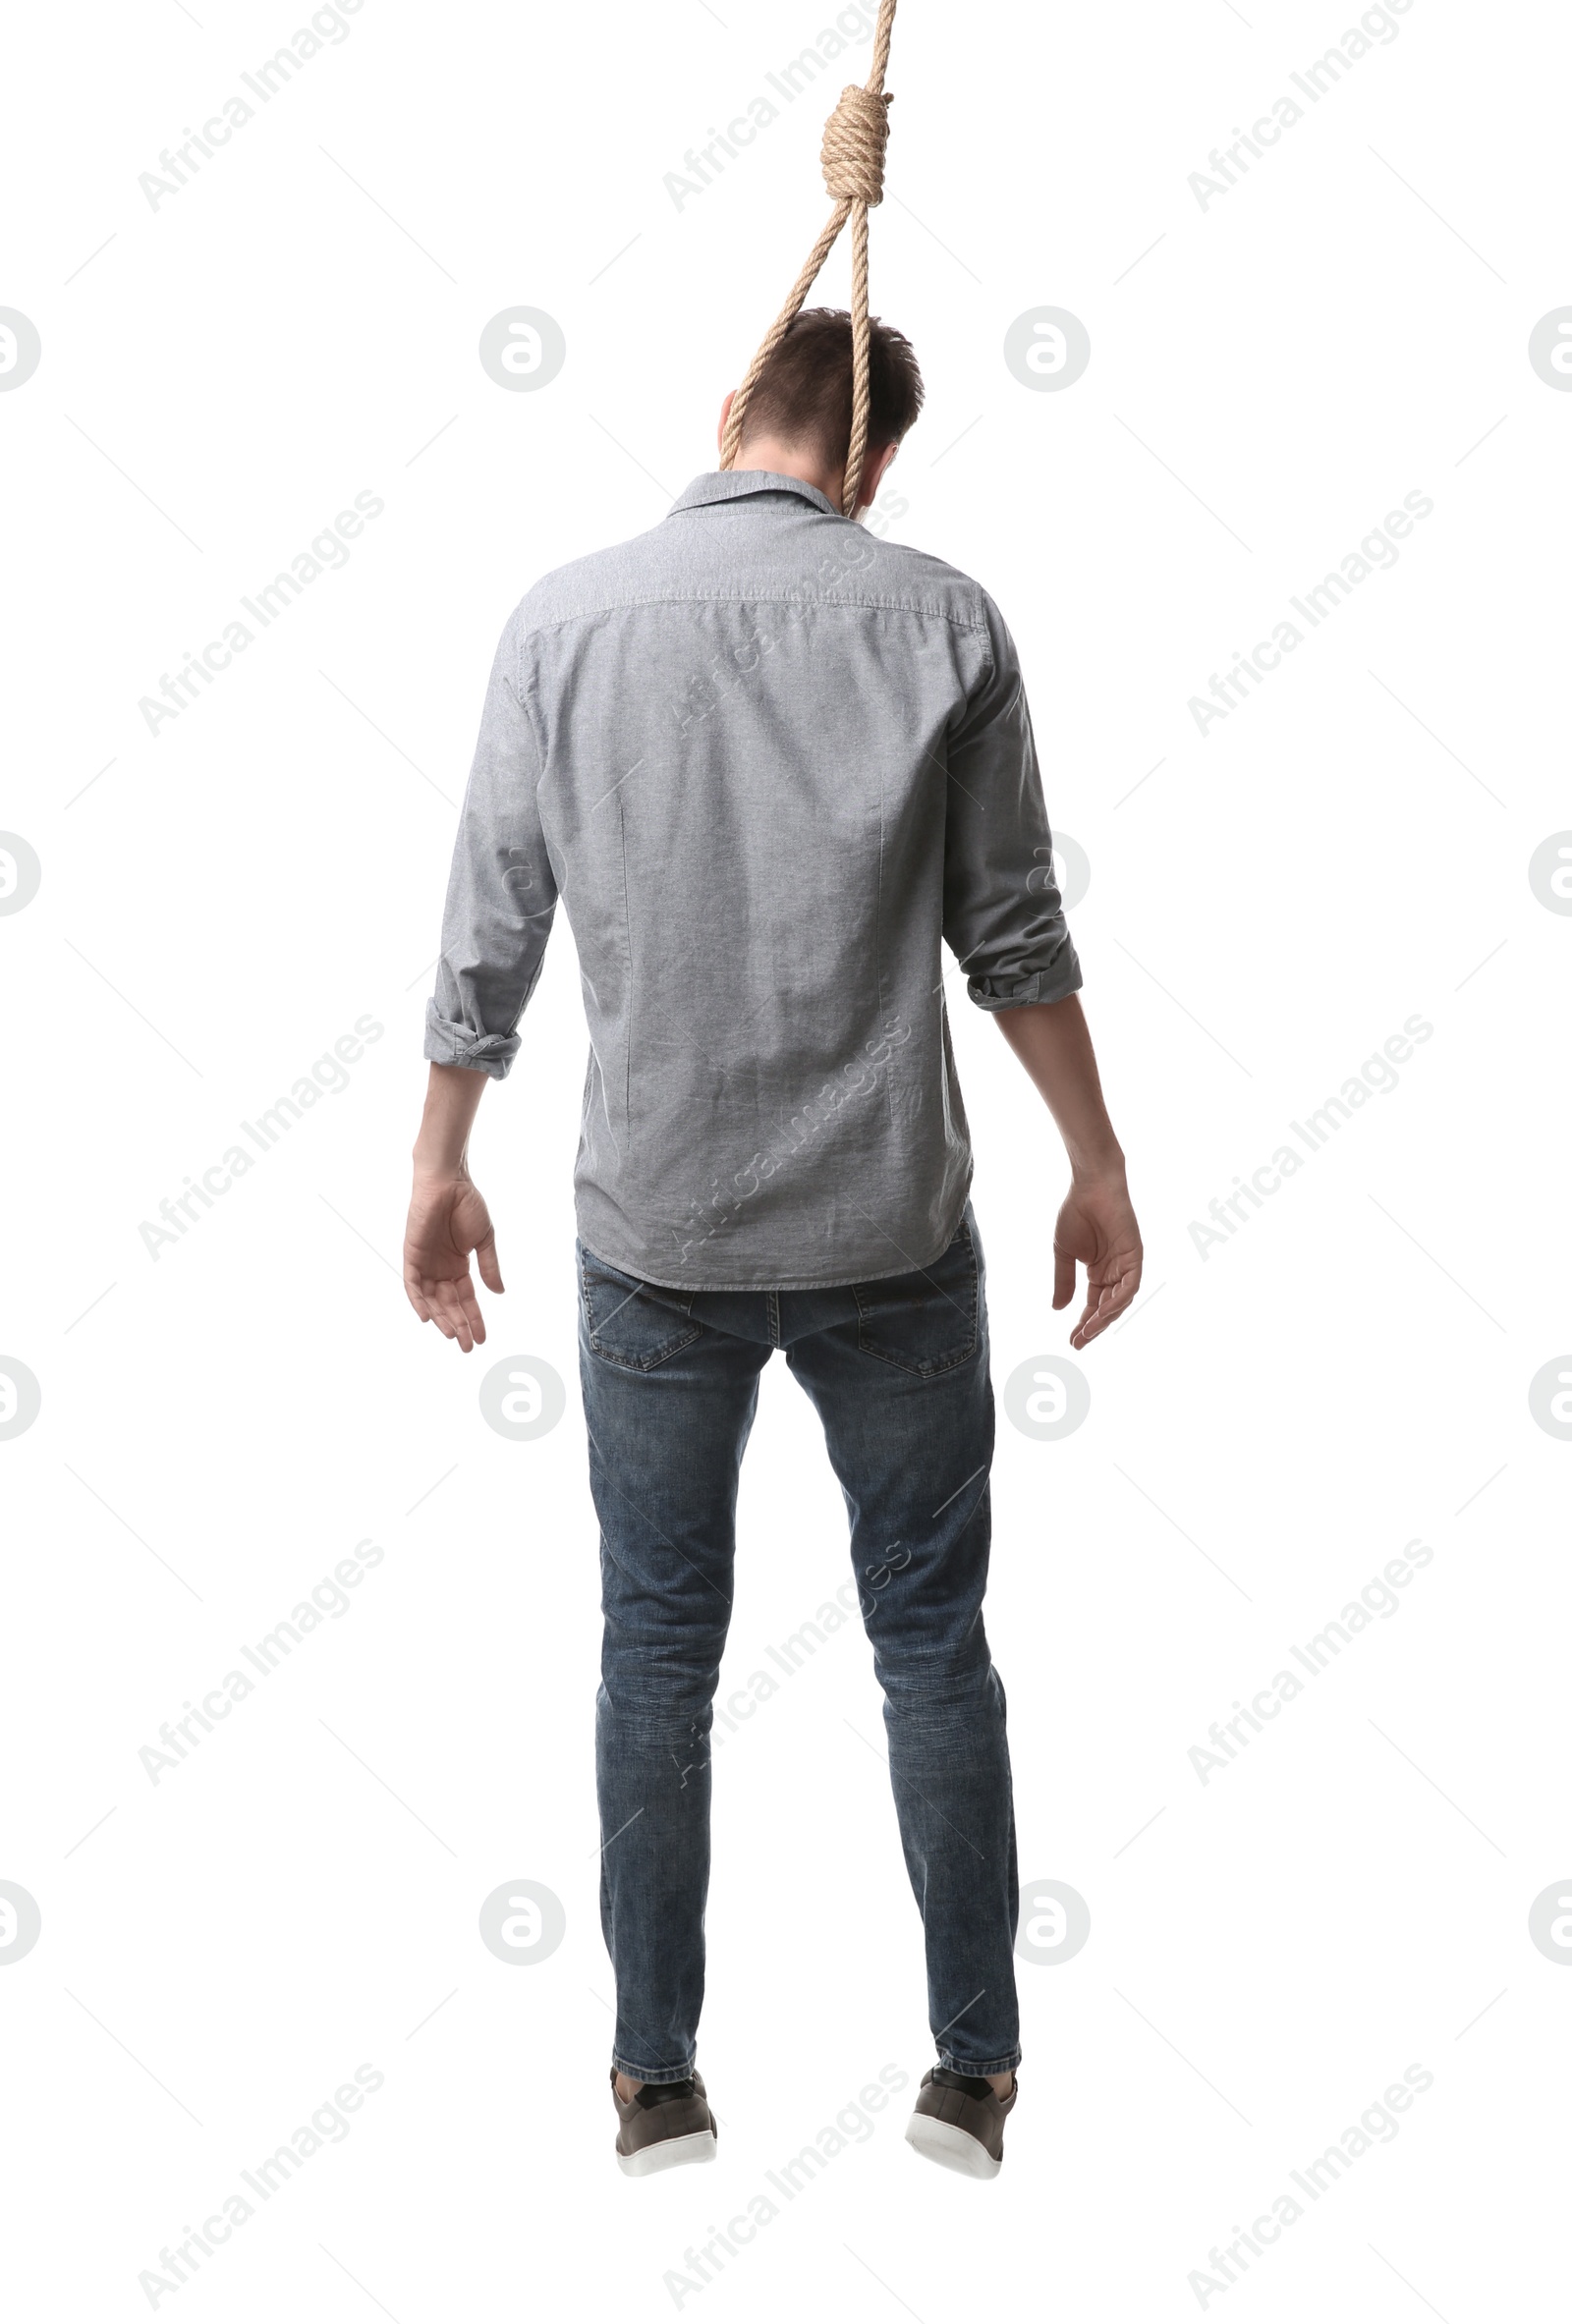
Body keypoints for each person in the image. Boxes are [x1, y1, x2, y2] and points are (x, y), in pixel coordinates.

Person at [403, 307, 1142, 2179]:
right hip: (889, 1219)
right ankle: (973, 2069)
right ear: (875, 461)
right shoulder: (946, 617)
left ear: (726, 411)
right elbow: (1017, 934)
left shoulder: (561, 619)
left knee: (655, 1648)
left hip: (659, 1228)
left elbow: (491, 922)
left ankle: (656, 2080)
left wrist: (440, 1154)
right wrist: (1098, 1158)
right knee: (931, 1642)